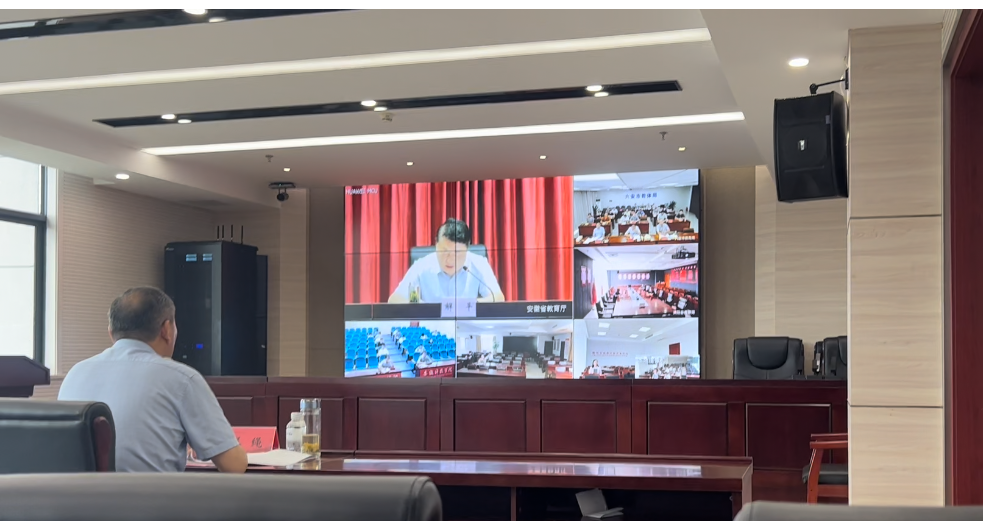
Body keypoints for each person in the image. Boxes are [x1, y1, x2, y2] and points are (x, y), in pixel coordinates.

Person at [58, 287, 247, 473]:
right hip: (151, 494)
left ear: (110, 332)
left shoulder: (75, 373)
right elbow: (234, 465)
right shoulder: (181, 379)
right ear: (166, 330)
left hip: (76, 493)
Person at [389, 218, 505, 303]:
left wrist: (468, 306)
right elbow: (394, 299)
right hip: (432, 327)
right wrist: (422, 307)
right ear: (436, 245)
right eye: (444, 251)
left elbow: (498, 298)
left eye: (457, 253)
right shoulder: (422, 266)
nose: (450, 260)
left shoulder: (478, 263)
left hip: (466, 327)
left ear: (467, 249)